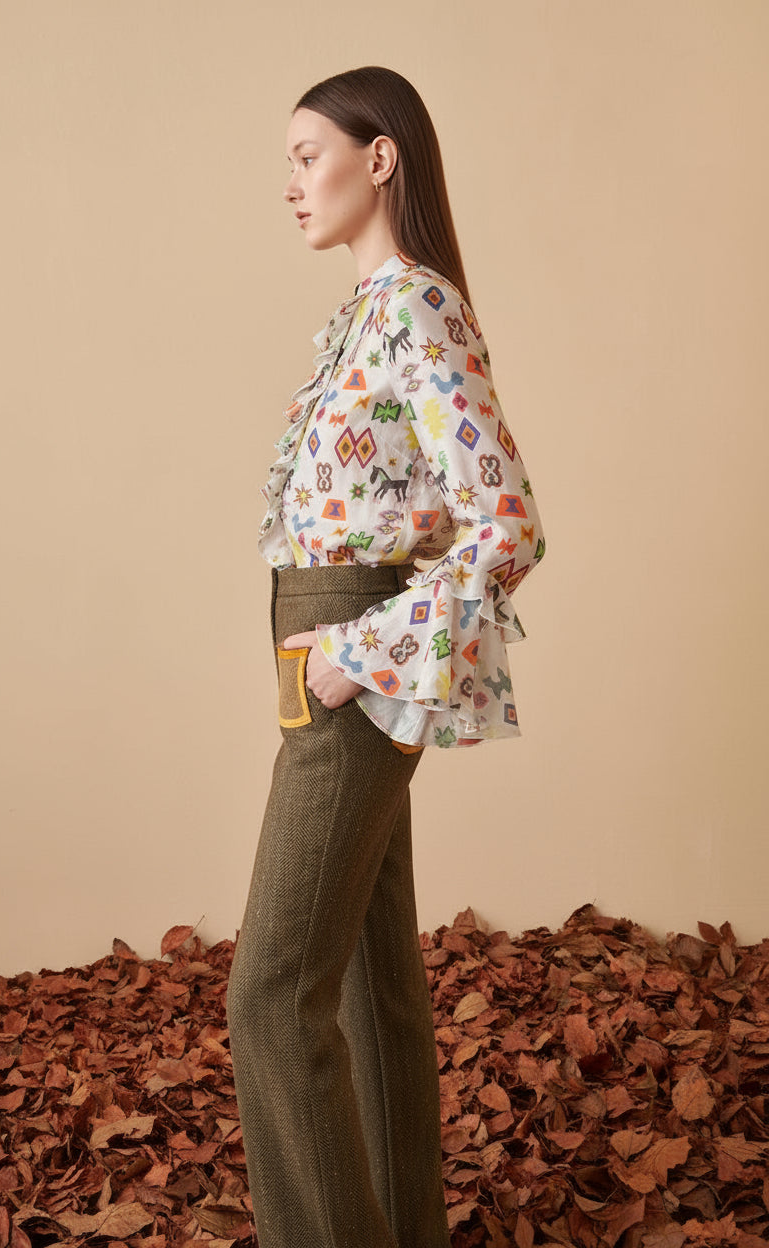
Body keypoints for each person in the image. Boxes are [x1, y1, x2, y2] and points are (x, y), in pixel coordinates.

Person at [226, 66, 545, 1248]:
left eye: (309, 155)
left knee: (269, 993)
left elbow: (505, 524)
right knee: (367, 985)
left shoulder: (412, 306)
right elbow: (399, 510)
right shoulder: (367, 313)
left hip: (350, 667)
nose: (292, 183)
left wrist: (358, 655)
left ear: (381, 158)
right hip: (326, 653)